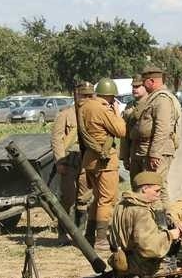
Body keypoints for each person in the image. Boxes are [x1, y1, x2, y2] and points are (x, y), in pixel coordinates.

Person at [105, 171, 182, 278]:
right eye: (156, 191)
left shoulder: (121, 205)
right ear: (145, 188)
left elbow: (110, 235)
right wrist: (170, 235)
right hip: (142, 265)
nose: (159, 195)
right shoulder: (141, 211)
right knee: (174, 266)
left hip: (121, 262)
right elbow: (149, 247)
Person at [78, 77, 126, 251]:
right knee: (107, 200)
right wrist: (116, 113)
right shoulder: (103, 109)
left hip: (90, 159)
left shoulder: (84, 107)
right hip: (105, 161)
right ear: (111, 96)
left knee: (97, 199)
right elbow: (121, 131)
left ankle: (89, 235)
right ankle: (100, 239)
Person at [129, 65, 182, 201]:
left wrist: (155, 153)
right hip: (149, 148)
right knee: (149, 187)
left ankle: (164, 220)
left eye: (144, 81)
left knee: (156, 188)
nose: (142, 85)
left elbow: (162, 128)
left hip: (159, 150)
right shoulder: (154, 98)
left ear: (151, 81)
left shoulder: (162, 99)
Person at [51, 81, 93, 238]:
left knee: (84, 197)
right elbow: (56, 139)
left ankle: (79, 233)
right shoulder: (65, 114)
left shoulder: (93, 113)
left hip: (86, 159)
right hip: (69, 159)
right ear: (76, 95)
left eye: (90, 95)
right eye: (83, 95)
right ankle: (63, 232)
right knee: (68, 197)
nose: (86, 98)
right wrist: (60, 161)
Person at [120, 74, 148, 178]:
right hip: (133, 151)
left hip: (147, 151)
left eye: (138, 86)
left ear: (145, 86)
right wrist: (125, 156)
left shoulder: (151, 104)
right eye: (133, 87)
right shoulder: (129, 106)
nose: (134, 89)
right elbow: (125, 134)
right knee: (135, 183)